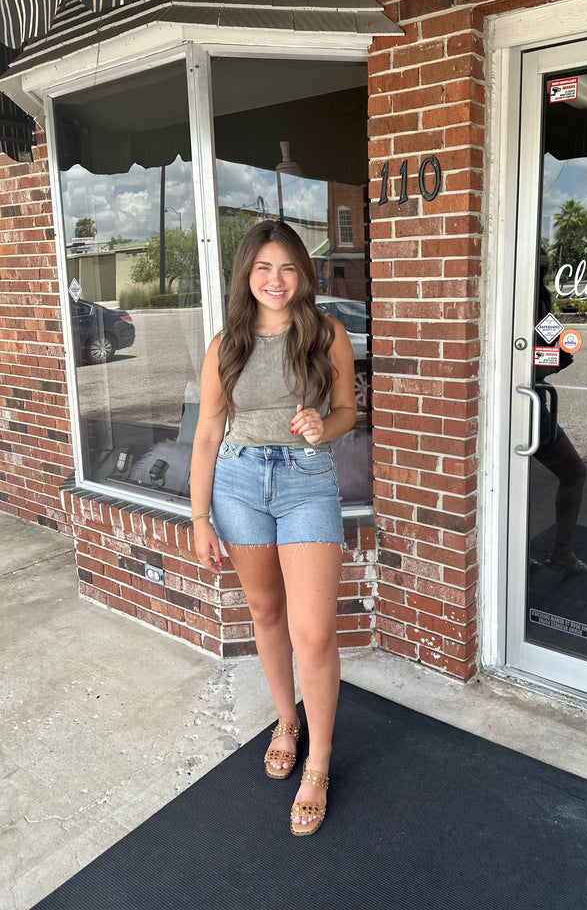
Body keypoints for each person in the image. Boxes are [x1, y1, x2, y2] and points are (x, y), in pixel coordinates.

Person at [189, 219, 356, 837]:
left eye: (287, 267)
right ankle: (287, 721)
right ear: (246, 275)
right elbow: (207, 433)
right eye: (263, 268)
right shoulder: (225, 343)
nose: (276, 279)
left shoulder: (327, 332)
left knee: (313, 634)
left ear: (303, 275)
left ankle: (318, 761)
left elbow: (347, 411)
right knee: (265, 613)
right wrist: (200, 516)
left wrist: (323, 427)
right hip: (236, 485)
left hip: (307, 481)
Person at [533, 267, 587, 574]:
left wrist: (554, 356)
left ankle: (526, 553)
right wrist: (549, 362)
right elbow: (552, 356)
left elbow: (559, 350)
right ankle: (561, 552)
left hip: (526, 404)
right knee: (574, 472)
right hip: (526, 406)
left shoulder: (537, 297)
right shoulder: (534, 298)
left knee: (512, 481)